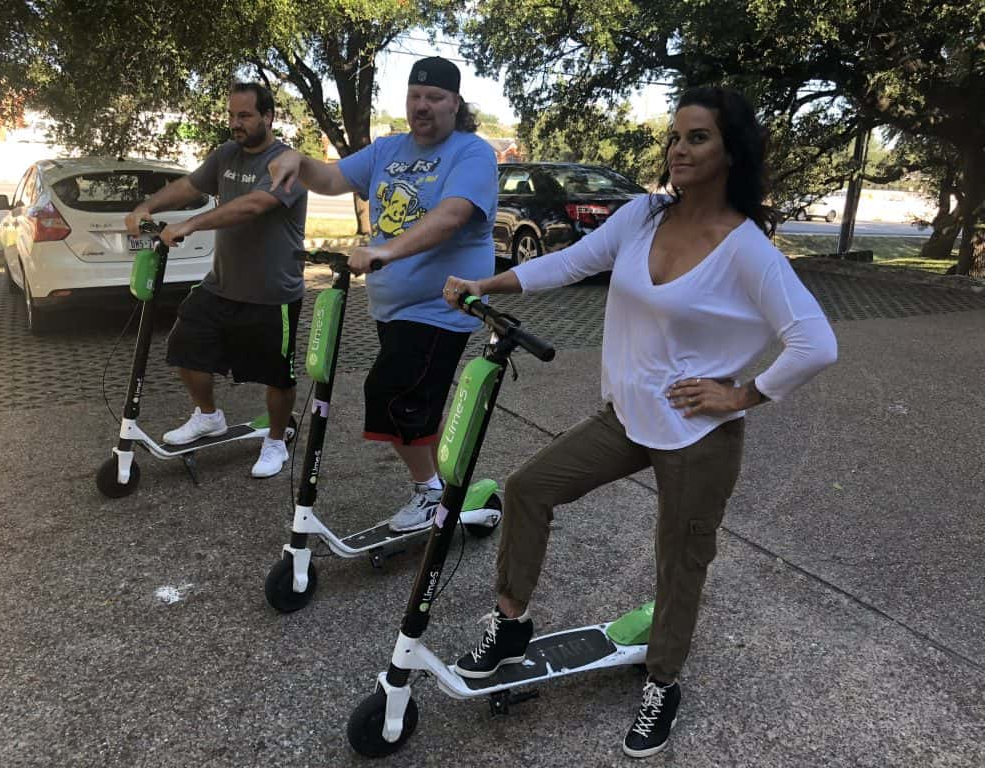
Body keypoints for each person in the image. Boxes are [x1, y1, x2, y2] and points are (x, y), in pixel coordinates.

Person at [441, 86, 838, 759]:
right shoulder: (643, 215)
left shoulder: (746, 249)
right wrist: (490, 284)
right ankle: (510, 623)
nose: (679, 149)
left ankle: (663, 681)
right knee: (530, 487)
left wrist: (741, 396)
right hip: (627, 416)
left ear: (731, 151)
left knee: (679, 561)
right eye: (676, 137)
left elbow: (815, 343)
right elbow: (573, 262)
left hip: (697, 436)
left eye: (698, 138)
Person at [267, 57, 497, 532]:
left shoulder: (471, 153)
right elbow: (330, 179)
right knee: (417, 402)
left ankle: (429, 493)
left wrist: (384, 252)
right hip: (393, 309)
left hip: (441, 307)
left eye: (434, 98)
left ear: (456, 103)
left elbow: (453, 214)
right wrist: (297, 158)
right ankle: (442, 487)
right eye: (415, 96)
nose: (423, 106)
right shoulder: (388, 148)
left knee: (393, 394)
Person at [125, 82, 307, 479]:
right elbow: (189, 185)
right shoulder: (225, 155)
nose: (235, 124)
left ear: (268, 117)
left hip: (272, 293)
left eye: (244, 116)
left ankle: (276, 440)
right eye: (231, 115)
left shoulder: (287, 163)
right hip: (220, 284)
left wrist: (192, 223)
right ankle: (209, 416)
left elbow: (254, 206)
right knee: (184, 347)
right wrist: (148, 206)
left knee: (277, 375)